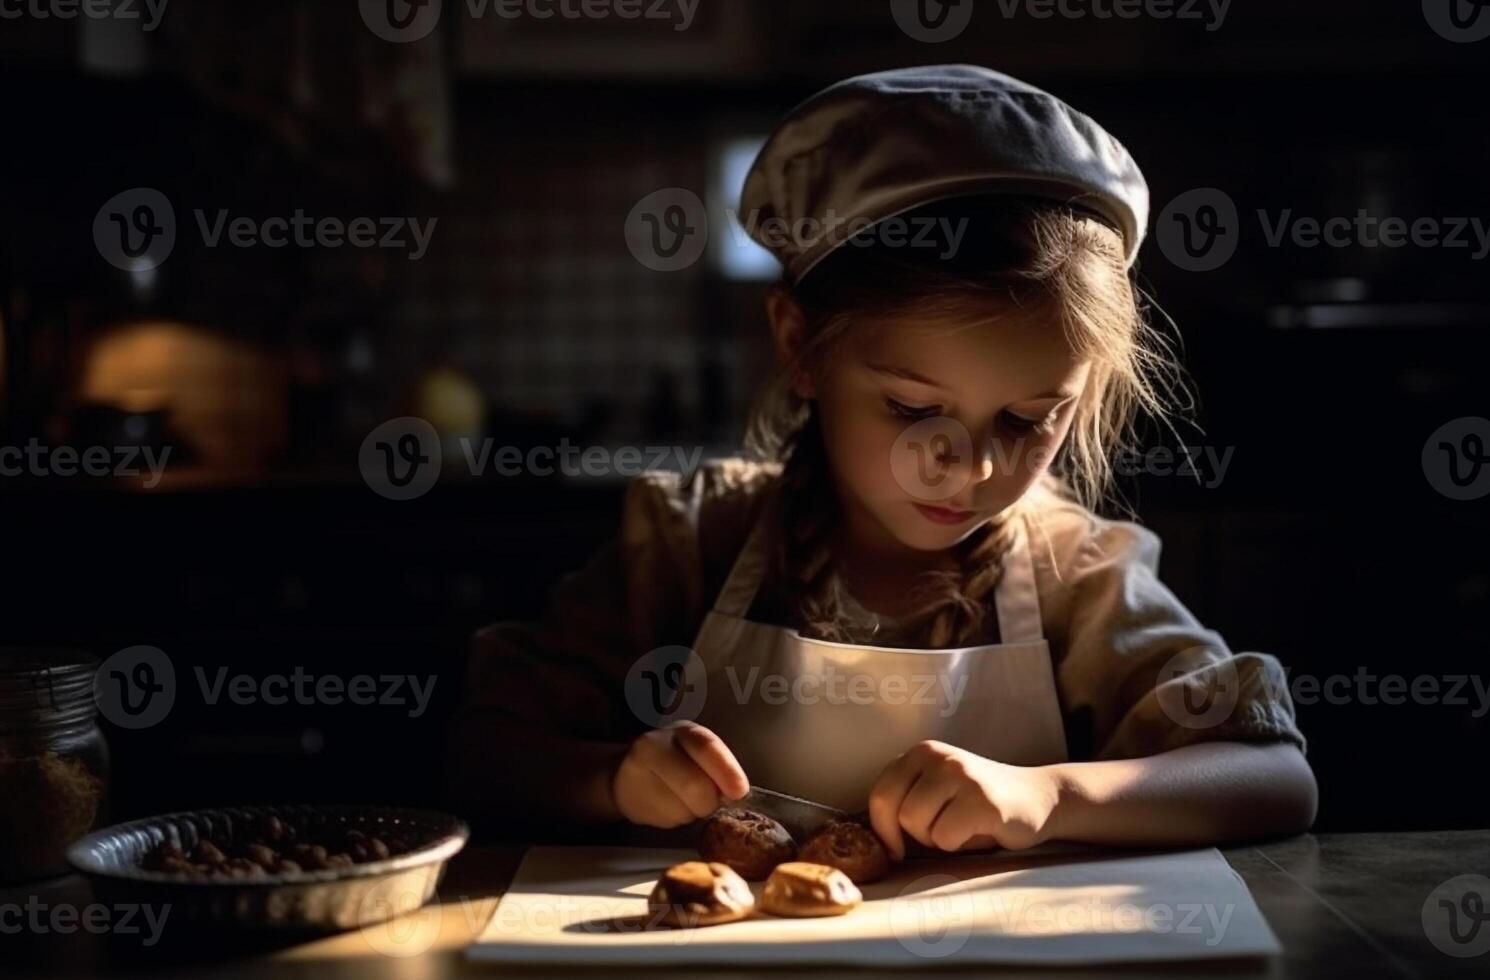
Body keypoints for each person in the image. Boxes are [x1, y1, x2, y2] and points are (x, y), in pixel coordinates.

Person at [448, 65, 1315, 859]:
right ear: (799, 345)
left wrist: (1051, 796)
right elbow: (484, 751)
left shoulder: (1076, 577)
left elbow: (1273, 777)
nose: (969, 468)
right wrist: (610, 784)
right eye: (911, 408)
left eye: (1028, 418)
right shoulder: (688, 544)